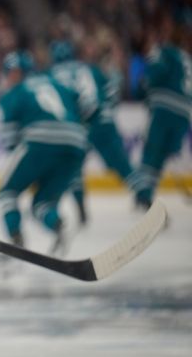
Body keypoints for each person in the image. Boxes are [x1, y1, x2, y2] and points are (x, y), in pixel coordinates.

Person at [0, 51, 86, 254]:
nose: (10, 78)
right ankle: (56, 224)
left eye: (11, 73)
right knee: (43, 202)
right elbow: (83, 105)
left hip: (39, 142)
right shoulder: (57, 84)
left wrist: (27, 166)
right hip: (75, 144)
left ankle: (15, 238)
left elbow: (10, 139)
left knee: (7, 193)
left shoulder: (14, 93)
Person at [49, 40, 138, 225]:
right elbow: (113, 90)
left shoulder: (52, 75)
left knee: (73, 169)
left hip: (77, 127)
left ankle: (81, 210)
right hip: (102, 122)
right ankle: (147, 200)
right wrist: (106, 110)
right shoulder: (90, 68)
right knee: (122, 166)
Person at [132, 26, 192, 211]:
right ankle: (147, 193)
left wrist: (142, 88)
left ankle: (144, 195)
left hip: (164, 110)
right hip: (184, 114)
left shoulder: (163, 51)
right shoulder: (187, 59)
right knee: (161, 156)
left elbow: (154, 74)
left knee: (152, 154)